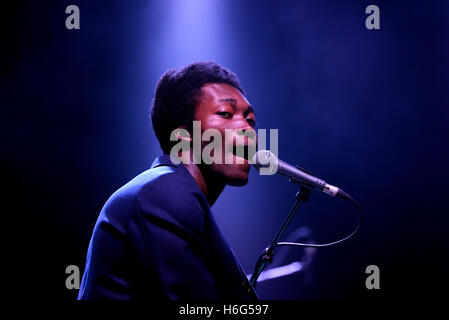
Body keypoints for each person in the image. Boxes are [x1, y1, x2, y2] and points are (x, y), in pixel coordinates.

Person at [78, 61, 259, 300]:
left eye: (251, 120)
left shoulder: (172, 195)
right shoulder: (165, 193)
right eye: (225, 113)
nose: (246, 128)